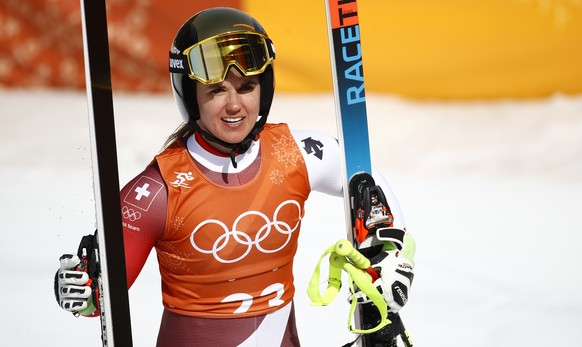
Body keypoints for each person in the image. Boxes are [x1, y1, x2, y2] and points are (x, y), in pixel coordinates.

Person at [54, 7, 415, 346]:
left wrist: (388, 255)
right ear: (191, 96)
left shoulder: (295, 153)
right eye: (216, 91)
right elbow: (100, 301)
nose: (234, 105)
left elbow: (365, 181)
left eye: (246, 88)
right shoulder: (158, 189)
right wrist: (82, 289)